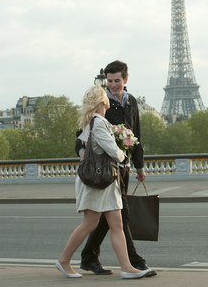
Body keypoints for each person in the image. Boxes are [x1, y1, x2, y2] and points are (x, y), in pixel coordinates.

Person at [56, 85, 152, 279]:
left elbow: (83, 147)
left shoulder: (90, 122)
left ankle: (127, 267)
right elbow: (112, 150)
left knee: (115, 223)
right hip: (98, 181)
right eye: (105, 96)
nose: (109, 98)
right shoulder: (98, 123)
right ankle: (64, 261)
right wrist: (125, 156)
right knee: (89, 224)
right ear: (102, 102)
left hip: (103, 181)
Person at [75, 60, 156, 277]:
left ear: (125, 80)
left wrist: (139, 166)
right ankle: (134, 262)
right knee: (121, 214)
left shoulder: (131, 102)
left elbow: (135, 135)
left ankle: (89, 256)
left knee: (109, 215)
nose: (112, 85)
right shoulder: (102, 103)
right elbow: (82, 132)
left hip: (124, 165)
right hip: (107, 167)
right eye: (109, 81)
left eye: (117, 81)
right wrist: (80, 151)